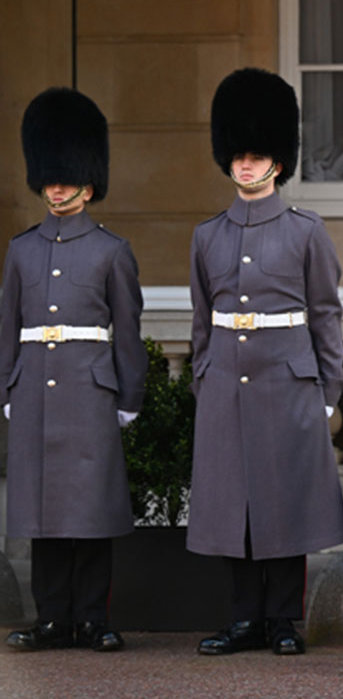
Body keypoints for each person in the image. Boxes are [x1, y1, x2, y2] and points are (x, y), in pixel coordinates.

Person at [187, 68, 343, 656]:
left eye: (258, 155)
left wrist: (329, 389)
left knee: (285, 502)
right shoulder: (208, 237)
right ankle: (243, 619)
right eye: (239, 155)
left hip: (289, 381)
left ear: (279, 162)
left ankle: (284, 620)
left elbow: (326, 315)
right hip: (227, 383)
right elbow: (203, 320)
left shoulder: (306, 232)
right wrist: (205, 379)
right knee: (234, 504)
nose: (247, 165)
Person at [1, 88, 146, 652]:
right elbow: (8, 322)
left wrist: (129, 396)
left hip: (90, 393)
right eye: (50, 178)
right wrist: (6, 386)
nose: (56, 187)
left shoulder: (112, 251)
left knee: (90, 515)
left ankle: (92, 618)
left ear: (88, 182)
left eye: (65, 178)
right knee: (42, 516)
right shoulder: (22, 250)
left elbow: (127, 332)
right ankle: (52, 619)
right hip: (34, 390)